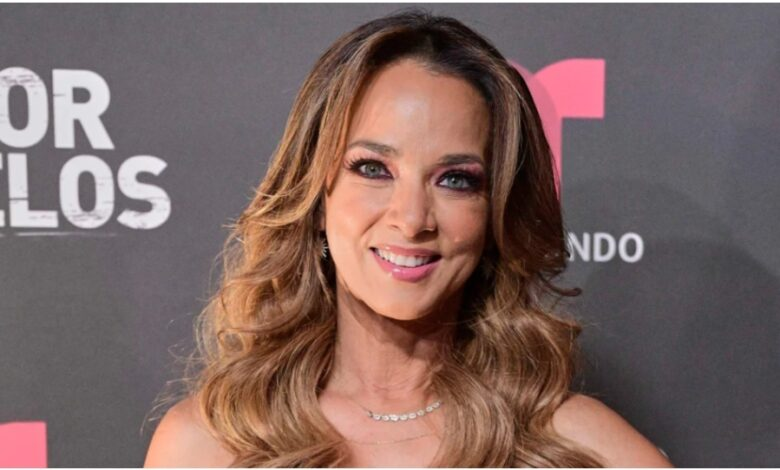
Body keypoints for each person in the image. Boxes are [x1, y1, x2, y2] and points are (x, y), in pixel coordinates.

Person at [144, 9, 673, 467]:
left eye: (456, 180)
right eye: (373, 169)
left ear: (496, 215)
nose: (413, 218)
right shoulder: (207, 446)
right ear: (317, 195)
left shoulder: (576, 448)